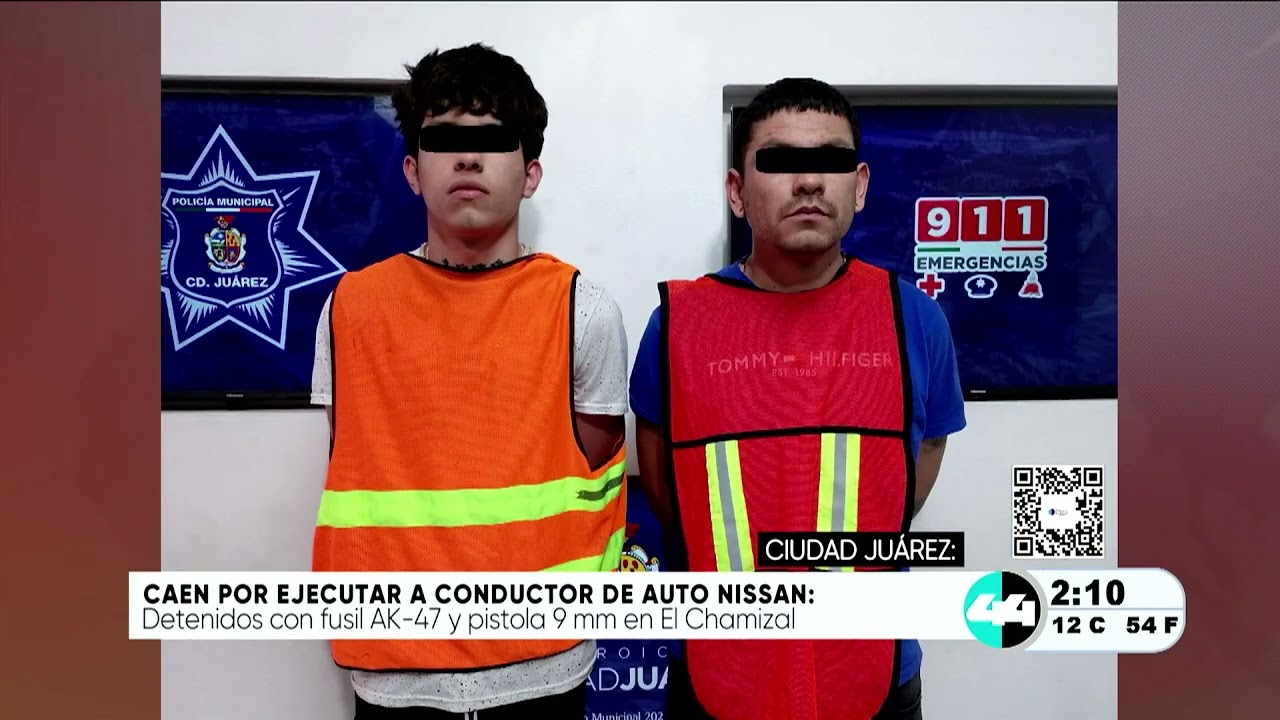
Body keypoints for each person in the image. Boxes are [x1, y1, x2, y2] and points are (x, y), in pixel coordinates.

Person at [629, 78, 967, 720]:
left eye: (831, 162)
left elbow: (916, 466)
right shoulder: (676, 325)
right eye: (781, 161)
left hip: (873, 672)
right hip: (718, 672)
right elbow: (671, 493)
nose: (809, 182)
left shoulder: (914, 318)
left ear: (859, 186)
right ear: (737, 192)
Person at [310, 44, 630, 719]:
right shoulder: (349, 309)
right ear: (412, 169)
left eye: (491, 141)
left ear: (530, 172)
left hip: (544, 671)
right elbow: (352, 453)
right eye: (445, 141)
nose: (467, 158)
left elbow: (593, 462)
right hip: (394, 673)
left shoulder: (584, 310)